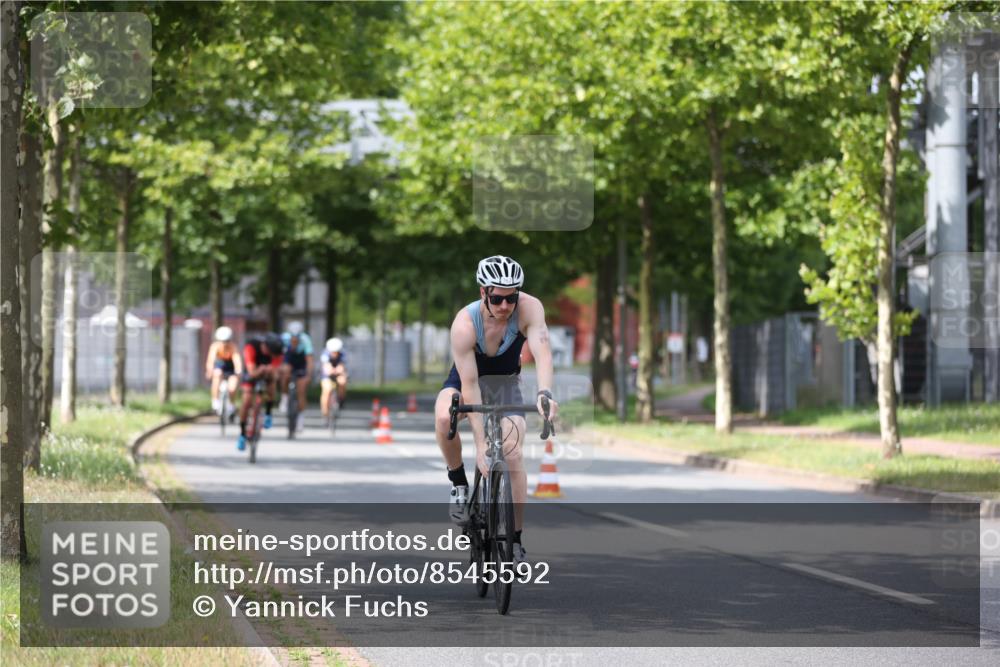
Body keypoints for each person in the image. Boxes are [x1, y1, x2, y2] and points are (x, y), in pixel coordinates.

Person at [435, 255, 558, 565]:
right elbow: (471, 385)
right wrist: (480, 446)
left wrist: (545, 393)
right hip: (468, 379)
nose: (505, 306)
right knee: (443, 415)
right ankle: (459, 485)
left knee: (514, 454)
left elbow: (543, 354)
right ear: (483, 293)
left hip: (506, 382)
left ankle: (515, 538)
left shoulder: (530, 308)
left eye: (511, 297)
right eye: (498, 298)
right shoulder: (465, 324)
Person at [237, 332, 284, 451]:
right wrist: (261, 369)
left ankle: (268, 412)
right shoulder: (251, 347)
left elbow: (276, 373)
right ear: (265, 347)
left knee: (272, 384)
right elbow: (252, 372)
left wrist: (270, 372)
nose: (272, 357)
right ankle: (242, 433)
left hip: (267, 374)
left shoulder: (277, 352)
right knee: (247, 401)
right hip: (252, 372)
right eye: (271, 354)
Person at [279, 321, 314, 433]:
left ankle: (300, 419)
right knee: (285, 372)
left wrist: (308, 374)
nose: (294, 340)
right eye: (292, 337)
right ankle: (284, 397)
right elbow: (279, 357)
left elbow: (309, 360)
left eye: (297, 337)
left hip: (301, 364)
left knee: (301, 391)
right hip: (288, 362)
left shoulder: (306, 340)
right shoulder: (283, 339)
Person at [204, 326, 243, 420]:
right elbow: (210, 360)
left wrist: (239, 370)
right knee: (217, 375)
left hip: (230, 368)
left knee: (232, 388)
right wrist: (210, 370)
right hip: (219, 367)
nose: (225, 343)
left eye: (227, 341)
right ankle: (215, 401)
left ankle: (231, 405)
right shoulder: (215, 346)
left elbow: (237, 359)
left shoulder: (233, 347)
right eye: (222, 341)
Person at [320, 337, 349, 417]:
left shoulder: (343, 353)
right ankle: (325, 412)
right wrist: (330, 370)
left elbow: (342, 366)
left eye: (336, 352)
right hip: (327, 374)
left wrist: (339, 371)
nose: (334, 354)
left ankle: (341, 400)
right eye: (333, 352)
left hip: (339, 372)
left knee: (342, 382)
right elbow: (326, 367)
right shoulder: (325, 353)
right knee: (327, 390)